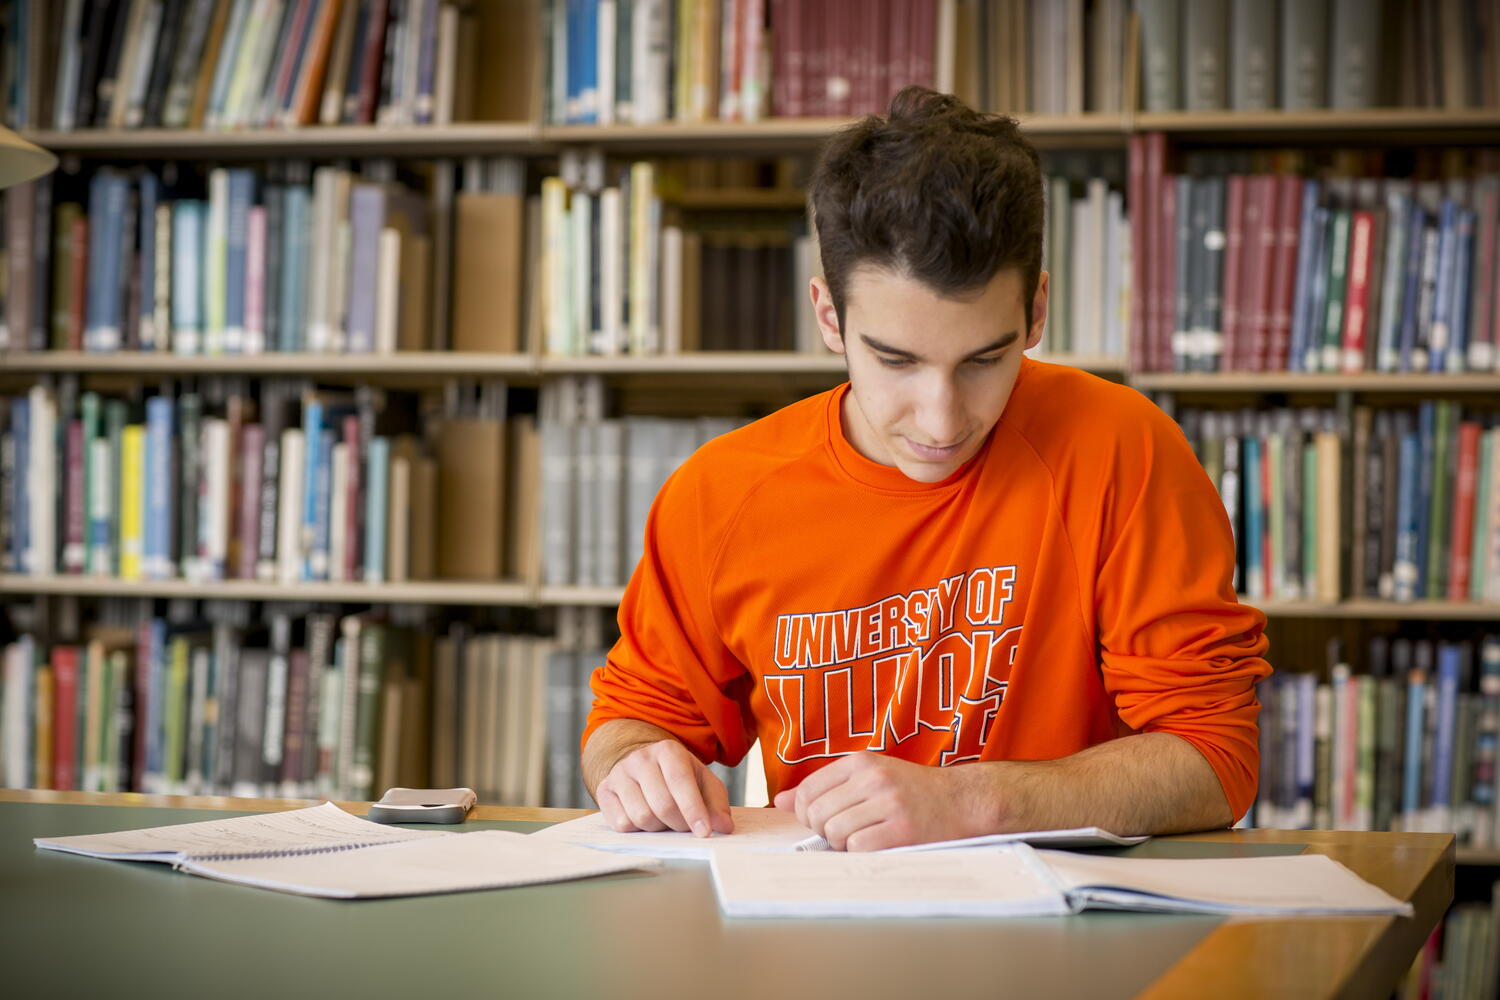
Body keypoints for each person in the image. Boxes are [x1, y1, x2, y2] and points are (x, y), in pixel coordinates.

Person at [580, 86, 1273, 852]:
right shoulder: (720, 493)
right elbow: (631, 721)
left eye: (985, 359)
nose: (942, 420)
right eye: (896, 361)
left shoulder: (1124, 451)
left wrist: (973, 801)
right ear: (828, 316)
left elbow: (1216, 761)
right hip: (820, 932)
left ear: (1036, 310)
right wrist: (636, 763)